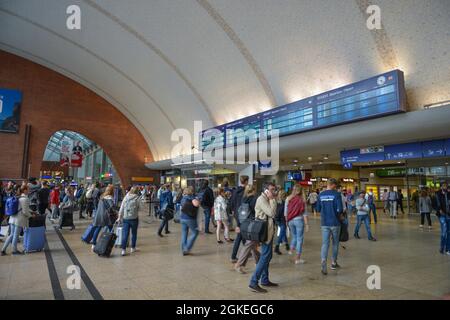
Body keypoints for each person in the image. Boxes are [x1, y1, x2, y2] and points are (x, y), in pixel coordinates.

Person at [248, 182, 277, 293]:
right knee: (265, 256)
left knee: (267, 256)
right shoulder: (261, 199)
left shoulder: (266, 199)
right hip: (264, 233)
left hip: (268, 232)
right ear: (266, 190)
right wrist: (273, 200)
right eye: (272, 189)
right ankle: (253, 282)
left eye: (274, 189)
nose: (274, 192)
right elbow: (271, 213)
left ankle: (264, 280)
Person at [316, 178, 344, 275]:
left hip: (324, 223)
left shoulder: (320, 195)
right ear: (332, 185)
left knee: (325, 244)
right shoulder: (337, 194)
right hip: (335, 222)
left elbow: (318, 209)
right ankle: (333, 263)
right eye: (335, 186)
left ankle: (323, 261)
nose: (336, 188)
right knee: (335, 243)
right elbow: (339, 209)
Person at [234, 185, 259, 274]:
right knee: (250, 243)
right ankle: (238, 264)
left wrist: (238, 225)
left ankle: (258, 261)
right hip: (252, 224)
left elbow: (238, 212)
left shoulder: (243, 199)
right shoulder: (255, 199)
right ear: (254, 190)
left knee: (253, 243)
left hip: (244, 224)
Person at [1, 185, 33, 255]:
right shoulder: (25, 199)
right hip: (19, 220)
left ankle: (3, 250)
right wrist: (31, 215)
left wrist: (31, 211)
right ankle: (14, 251)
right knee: (16, 235)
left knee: (11, 235)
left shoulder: (17, 197)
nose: (29, 190)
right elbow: (25, 211)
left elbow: (22, 208)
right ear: (24, 190)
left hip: (12, 218)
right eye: (28, 189)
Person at [286, 184, 309, 264]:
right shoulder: (302, 199)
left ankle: (291, 249)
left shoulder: (288, 198)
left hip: (290, 220)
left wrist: (286, 221)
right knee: (300, 239)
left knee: (294, 236)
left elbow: (286, 212)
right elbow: (304, 213)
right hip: (298, 220)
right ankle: (297, 259)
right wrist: (306, 224)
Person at [117, 186, 141, 256]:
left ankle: (123, 250)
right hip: (134, 218)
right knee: (134, 233)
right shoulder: (137, 198)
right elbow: (141, 208)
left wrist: (119, 217)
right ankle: (133, 248)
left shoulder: (126, 197)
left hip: (126, 218)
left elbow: (121, 208)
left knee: (125, 234)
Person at [230, 175, 249, 263]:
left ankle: (247, 252)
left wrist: (234, 213)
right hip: (243, 215)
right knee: (240, 236)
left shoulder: (235, 191)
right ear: (246, 181)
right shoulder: (245, 191)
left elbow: (232, 203)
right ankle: (233, 256)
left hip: (237, 215)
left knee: (242, 235)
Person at [91, 185, 116, 252]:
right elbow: (112, 208)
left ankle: (93, 244)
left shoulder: (102, 197)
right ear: (112, 191)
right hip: (107, 217)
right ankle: (111, 242)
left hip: (99, 216)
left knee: (97, 229)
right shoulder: (110, 198)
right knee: (111, 229)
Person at [180, 186, 200, 255]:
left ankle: (183, 248)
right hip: (190, 218)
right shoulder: (191, 198)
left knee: (184, 233)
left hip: (182, 217)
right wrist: (196, 199)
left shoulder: (183, 198)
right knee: (195, 232)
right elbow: (196, 204)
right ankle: (187, 248)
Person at [435, 183, 450, 255]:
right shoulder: (438, 194)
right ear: (441, 187)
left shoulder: (449, 193)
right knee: (444, 232)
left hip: (449, 215)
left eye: (446, 186)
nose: (445, 187)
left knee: (449, 232)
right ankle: (442, 248)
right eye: (444, 186)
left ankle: (448, 249)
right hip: (442, 215)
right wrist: (440, 210)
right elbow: (437, 204)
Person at [274, 189, 288, 255]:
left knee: (283, 232)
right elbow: (281, 212)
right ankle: (277, 247)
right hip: (282, 219)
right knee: (282, 232)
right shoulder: (283, 203)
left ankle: (287, 244)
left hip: (277, 219)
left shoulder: (277, 201)